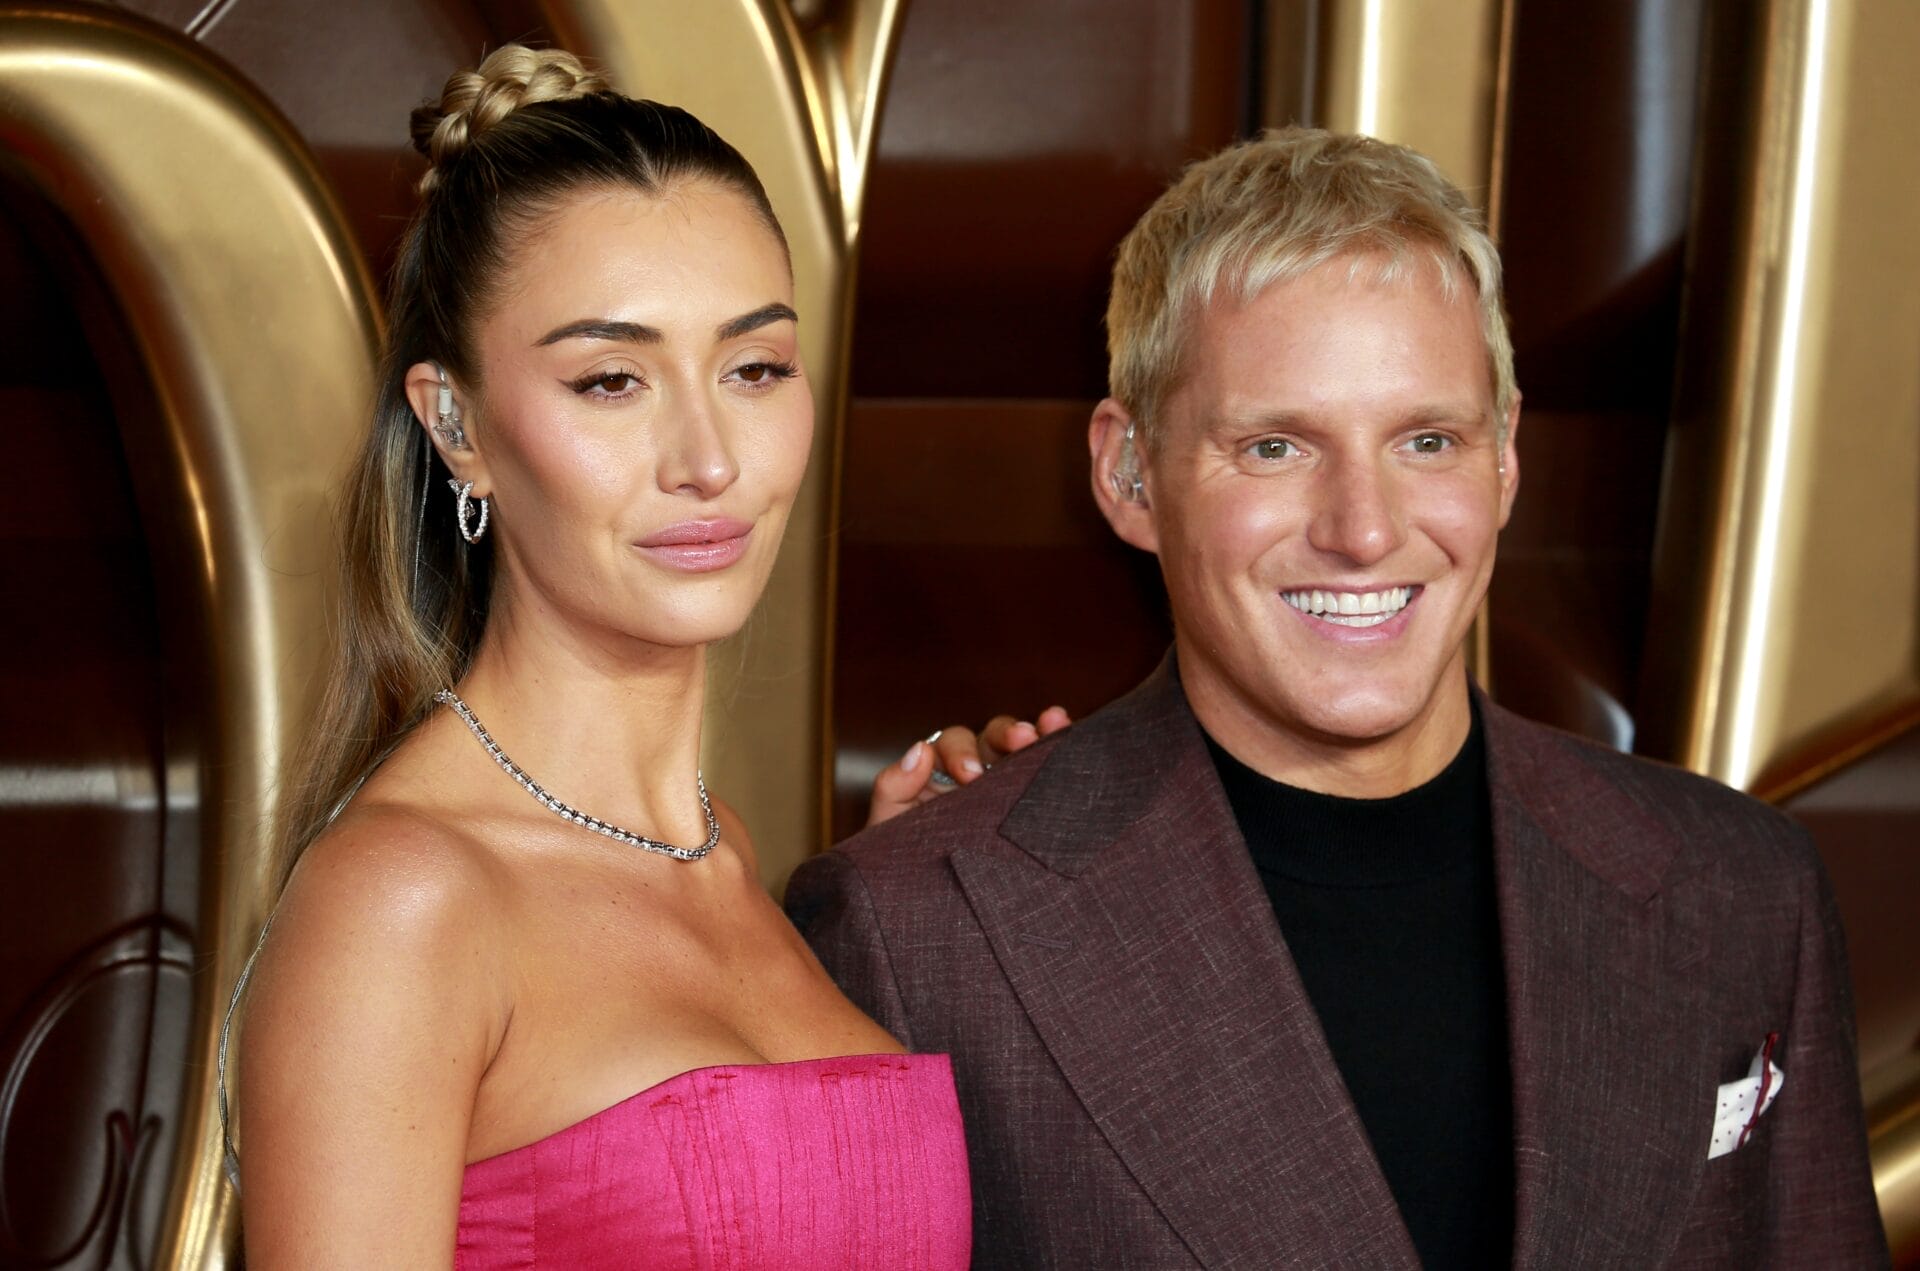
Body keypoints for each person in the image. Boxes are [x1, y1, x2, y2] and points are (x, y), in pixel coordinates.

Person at [788, 127, 1890, 1268]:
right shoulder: (915, 928)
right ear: (1129, 473)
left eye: (1428, 439)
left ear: (1504, 457)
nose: (1363, 530)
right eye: (1275, 446)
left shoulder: (1741, 887)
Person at [225, 44, 1019, 1268]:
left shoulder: (729, 863)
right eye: (611, 380)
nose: (709, 459)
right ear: (456, 424)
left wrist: (916, 900)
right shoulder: (405, 899)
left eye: (755, 368)